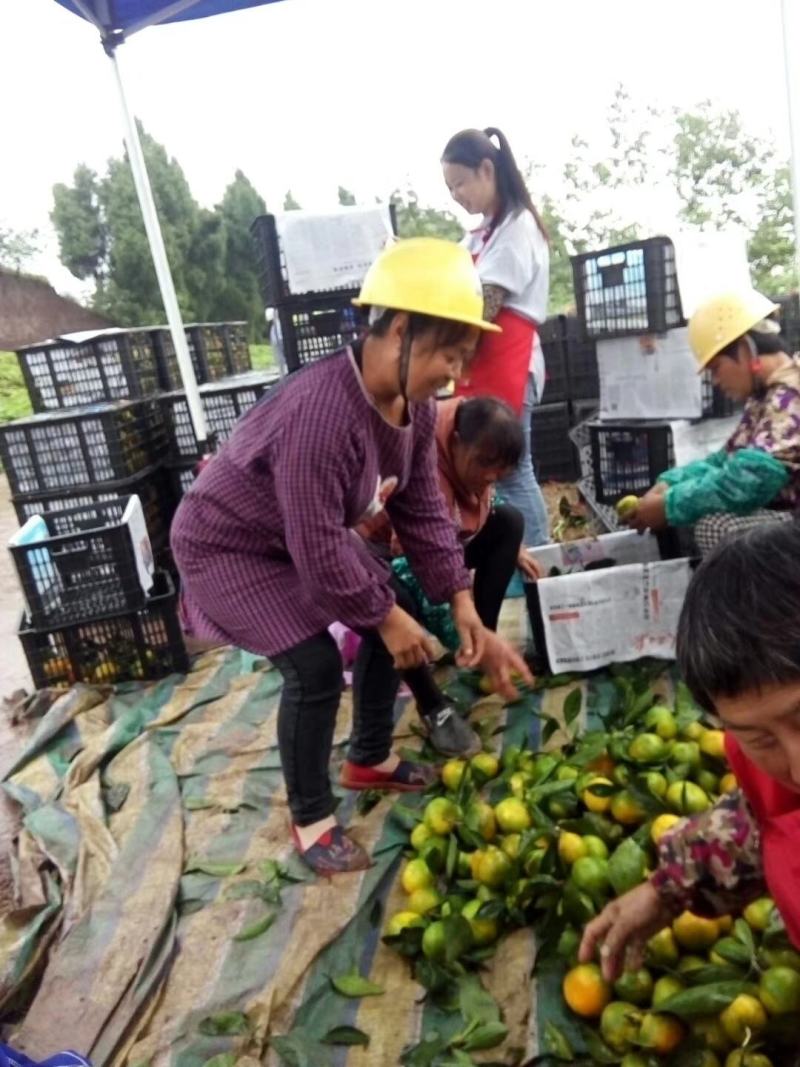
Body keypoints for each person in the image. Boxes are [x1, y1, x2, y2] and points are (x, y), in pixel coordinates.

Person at [171, 237, 532, 875]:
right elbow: (315, 547)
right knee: (312, 666)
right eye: (447, 351)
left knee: (383, 609)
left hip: (292, 534)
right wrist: (388, 619)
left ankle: (370, 759)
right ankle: (311, 819)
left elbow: (420, 510)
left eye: (461, 355)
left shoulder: (414, 410)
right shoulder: (320, 414)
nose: (453, 372)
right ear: (399, 330)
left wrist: (462, 602)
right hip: (227, 544)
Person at [579, 520, 800, 980]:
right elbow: (770, 823)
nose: (796, 766)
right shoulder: (762, 765)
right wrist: (672, 884)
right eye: (760, 738)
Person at [622, 289, 800, 556]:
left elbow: (749, 479)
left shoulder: (790, 397)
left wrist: (669, 505)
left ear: (745, 348)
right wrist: (671, 483)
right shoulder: (765, 396)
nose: (715, 382)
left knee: (716, 527)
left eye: (716, 368)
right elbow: (726, 460)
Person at [361, 395, 543, 651]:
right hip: (384, 556)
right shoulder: (427, 464)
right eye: (484, 464)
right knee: (398, 608)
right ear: (456, 442)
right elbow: (416, 559)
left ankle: (484, 632)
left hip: (438, 546)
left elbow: (490, 502)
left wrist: (516, 548)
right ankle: (472, 646)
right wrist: (461, 634)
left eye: (500, 472)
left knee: (509, 522)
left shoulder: (471, 437)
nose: (490, 476)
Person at [441, 127, 551, 547]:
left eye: (460, 183)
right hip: (482, 359)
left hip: (508, 357)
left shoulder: (519, 227)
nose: (456, 195)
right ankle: (513, 557)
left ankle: (540, 558)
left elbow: (484, 303)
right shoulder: (482, 232)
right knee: (493, 472)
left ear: (487, 169)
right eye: (450, 189)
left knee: (510, 470)